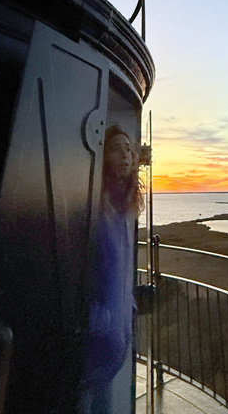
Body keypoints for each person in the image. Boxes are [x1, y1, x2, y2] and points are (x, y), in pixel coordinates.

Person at [81, 125, 144, 414]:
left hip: (118, 335)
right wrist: (99, 318)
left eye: (128, 149)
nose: (125, 155)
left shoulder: (125, 206)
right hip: (95, 335)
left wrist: (129, 306)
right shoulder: (94, 201)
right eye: (116, 148)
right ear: (102, 156)